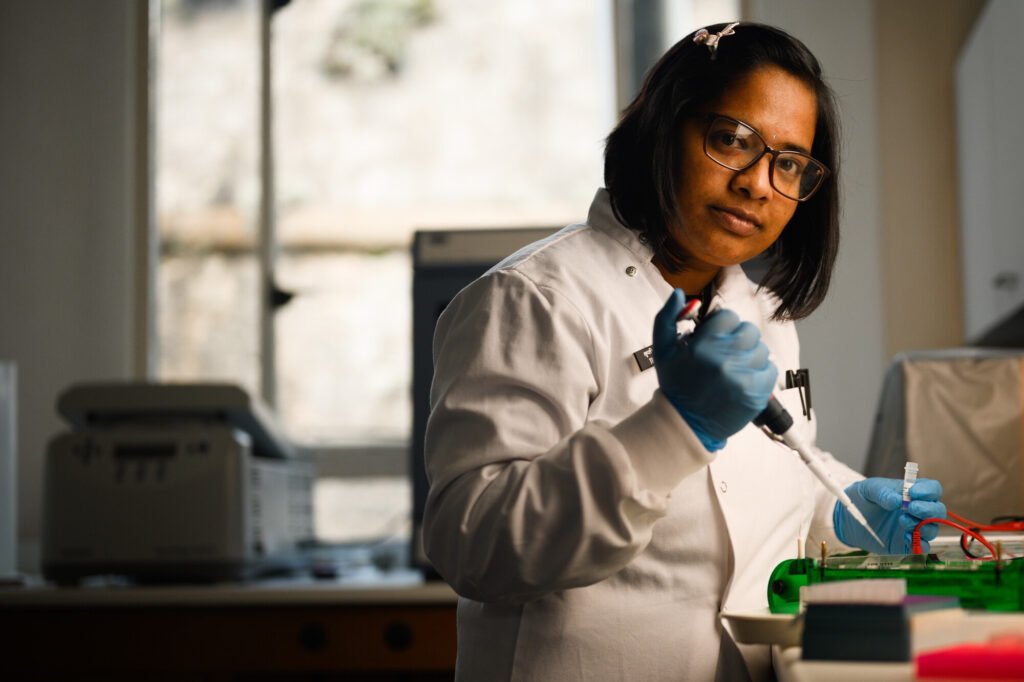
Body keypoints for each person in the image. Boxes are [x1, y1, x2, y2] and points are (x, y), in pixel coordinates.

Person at [421, 21, 946, 681]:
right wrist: (671, 428)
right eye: (732, 141)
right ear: (663, 128)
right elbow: (472, 544)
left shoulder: (763, 316)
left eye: (789, 163)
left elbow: (765, 481)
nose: (759, 184)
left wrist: (843, 508)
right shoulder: (534, 299)